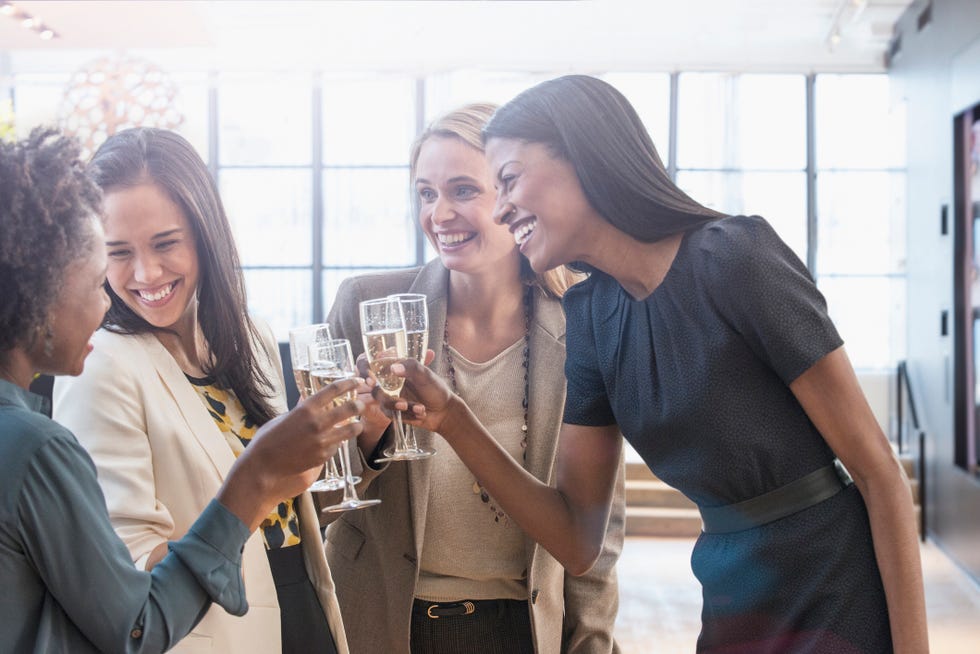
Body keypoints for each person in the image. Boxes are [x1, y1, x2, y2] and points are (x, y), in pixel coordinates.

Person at [385, 76, 930, 654]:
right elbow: (575, 539)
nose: (501, 207)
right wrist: (454, 420)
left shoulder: (735, 258)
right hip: (730, 593)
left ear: (583, 158)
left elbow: (878, 473)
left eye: (510, 180)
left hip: (834, 585)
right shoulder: (591, 316)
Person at [0, 128, 362, 653]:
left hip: (300, 610)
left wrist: (352, 440)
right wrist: (253, 486)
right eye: (116, 253)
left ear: (205, 231)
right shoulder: (101, 364)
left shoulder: (250, 335)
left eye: (166, 243)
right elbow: (122, 579)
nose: (146, 273)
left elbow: (290, 510)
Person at [321, 103, 625, 654]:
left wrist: (592, 645)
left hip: (521, 630)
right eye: (425, 193)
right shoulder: (366, 309)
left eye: (463, 190)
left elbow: (596, 538)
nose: (440, 214)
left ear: (512, 200)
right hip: (380, 624)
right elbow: (316, 500)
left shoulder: (584, 328)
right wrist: (366, 437)